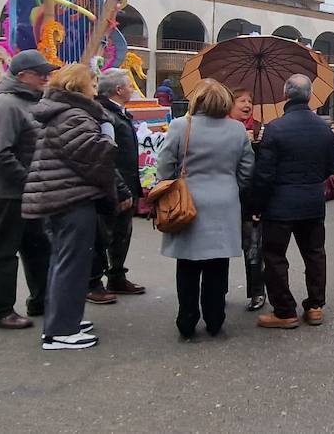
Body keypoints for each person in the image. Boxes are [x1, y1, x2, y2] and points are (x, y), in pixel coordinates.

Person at [23, 63, 122, 351]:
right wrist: (107, 132)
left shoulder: (61, 113)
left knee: (63, 262)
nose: (96, 88)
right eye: (92, 82)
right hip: (71, 197)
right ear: (78, 86)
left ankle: (62, 320)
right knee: (72, 264)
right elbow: (96, 155)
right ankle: (62, 330)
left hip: (62, 195)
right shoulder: (75, 116)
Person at [158, 79, 255, 340]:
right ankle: (215, 319)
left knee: (187, 266)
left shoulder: (180, 126)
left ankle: (187, 320)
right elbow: (247, 171)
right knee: (217, 264)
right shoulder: (237, 131)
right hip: (224, 201)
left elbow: (165, 167)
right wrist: (231, 186)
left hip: (188, 200)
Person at [250, 75, 334, 328]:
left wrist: (256, 206)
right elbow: (332, 165)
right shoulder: (324, 128)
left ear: (285, 94)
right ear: (310, 96)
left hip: (280, 205)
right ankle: (314, 306)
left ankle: (284, 310)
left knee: (276, 256)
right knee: (314, 254)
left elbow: (264, 174)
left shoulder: (275, 128)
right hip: (313, 201)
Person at [0, 50, 54, 330]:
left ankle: (42, 299)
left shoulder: (29, 102)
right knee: (3, 252)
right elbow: (0, 154)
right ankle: (0, 311)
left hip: (28, 191)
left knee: (37, 248)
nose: (46, 78)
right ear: (22, 76)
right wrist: (28, 182)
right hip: (9, 193)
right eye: (40, 74)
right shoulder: (6, 105)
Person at [91, 68, 146, 296]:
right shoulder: (105, 115)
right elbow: (106, 157)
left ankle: (117, 276)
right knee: (104, 236)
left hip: (125, 184)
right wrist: (121, 189)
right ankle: (94, 282)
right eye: (130, 85)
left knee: (122, 234)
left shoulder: (119, 113)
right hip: (113, 187)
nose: (133, 89)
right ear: (118, 89)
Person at [228, 89, 266, 312]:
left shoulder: (260, 128)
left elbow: (262, 168)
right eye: (241, 100)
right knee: (219, 250)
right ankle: (217, 290)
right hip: (225, 198)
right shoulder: (222, 127)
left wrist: (256, 145)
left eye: (250, 101)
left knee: (253, 249)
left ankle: (257, 292)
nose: (247, 104)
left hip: (250, 200)